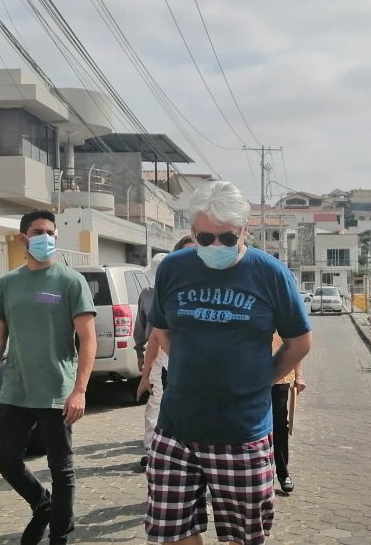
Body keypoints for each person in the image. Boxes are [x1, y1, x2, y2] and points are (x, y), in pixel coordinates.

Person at [144, 181, 312, 545]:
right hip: (176, 427)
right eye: (205, 239)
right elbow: (162, 327)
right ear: (192, 232)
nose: (215, 246)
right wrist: (193, 365)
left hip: (242, 432)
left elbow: (299, 342)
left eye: (227, 237)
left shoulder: (270, 274)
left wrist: (261, 377)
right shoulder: (173, 268)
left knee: (243, 536)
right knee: (171, 533)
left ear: (244, 230)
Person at [0, 209, 97, 545]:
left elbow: (88, 338)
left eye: (51, 232)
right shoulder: (8, 284)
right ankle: (42, 504)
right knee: (5, 459)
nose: (47, 238)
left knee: (62, 468)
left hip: (57, 389)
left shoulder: (70, 281)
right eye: (39, 232)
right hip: (17, 387)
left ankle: (61, 535)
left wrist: (80, 390)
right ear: (23, 238)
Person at [135, 235, 195, 468]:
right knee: (161, 408)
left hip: (211, 380)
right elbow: (154, 335)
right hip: (173, 370)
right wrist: (145, 373)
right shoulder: (168, 295)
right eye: (186, 253)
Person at [270, 332, 306, 494]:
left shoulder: (283, 318)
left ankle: (283, 474)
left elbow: (295, 348)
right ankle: (258, 474)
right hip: (252, 379)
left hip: (280, 379)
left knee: (279, 427)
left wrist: (299, 376)